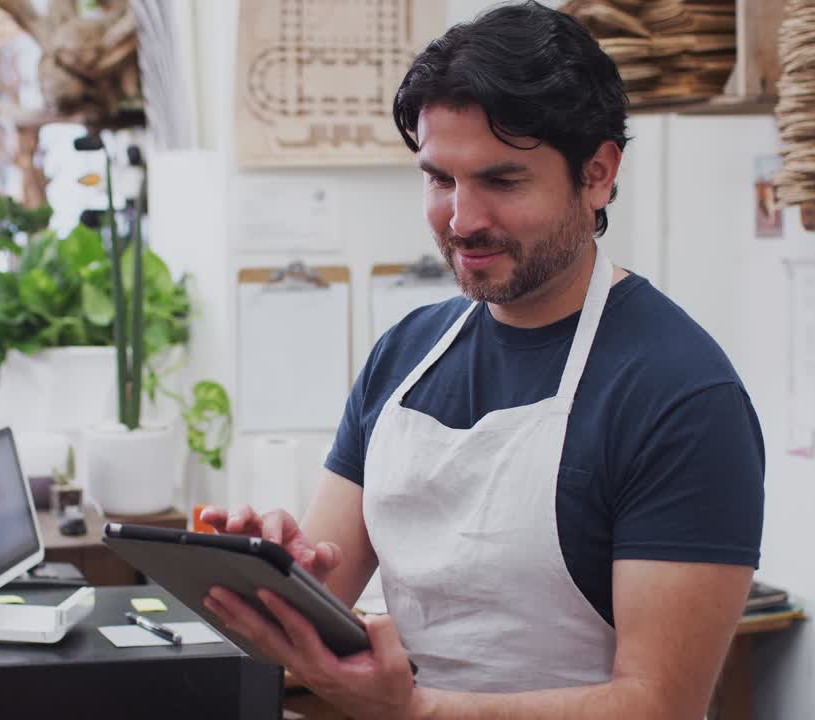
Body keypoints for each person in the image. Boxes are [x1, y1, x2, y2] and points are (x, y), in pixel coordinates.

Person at [201, 2, 765, 718]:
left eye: (502, 181)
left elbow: (660, 704)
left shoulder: (681, 395)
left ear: (597, 174)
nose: (462, 221)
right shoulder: (404, 357)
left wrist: (417, 711)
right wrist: (269, 573)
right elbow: (321, 597)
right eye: (440, 179)